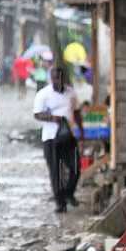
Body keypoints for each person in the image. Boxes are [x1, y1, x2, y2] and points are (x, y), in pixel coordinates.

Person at [33, 65, 81, 213]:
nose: (57, 81)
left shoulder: (71, 93)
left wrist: (81, 132)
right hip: (51, 137)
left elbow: (77, 112)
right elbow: (36, 114)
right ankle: (60, 202)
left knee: (75, 167)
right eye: (54, 78)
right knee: (56, 171)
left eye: (60, 77)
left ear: (63, 78)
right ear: (50, 79)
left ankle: (69, 193)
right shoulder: (43, 95)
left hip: (69, 136)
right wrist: (52, 117)